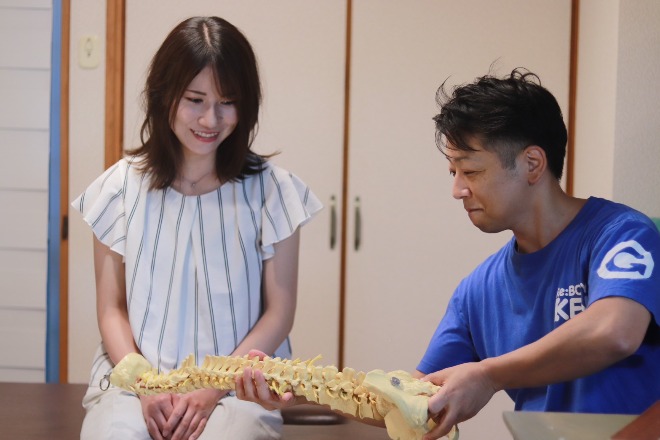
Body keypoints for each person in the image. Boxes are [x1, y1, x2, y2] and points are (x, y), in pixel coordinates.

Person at [235, 68, 660, 440]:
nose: (457, 190)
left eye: (471, 171)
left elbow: (615, 331)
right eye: (453, 171)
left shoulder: (620, 233)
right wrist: (300, 391)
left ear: (532, 163)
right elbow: (416, 399)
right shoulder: (479, 290)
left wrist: (488, 375)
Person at [73, 16, 321, 440]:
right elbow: (111, 309)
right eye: (195, 99)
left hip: (239, 386)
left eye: (228, 101)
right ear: (164, 94)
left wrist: (214, 385)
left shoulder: (273, 191)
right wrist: (146, 386)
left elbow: (279, 314)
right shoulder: (118, 187)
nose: (211, 119)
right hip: (134, 382)